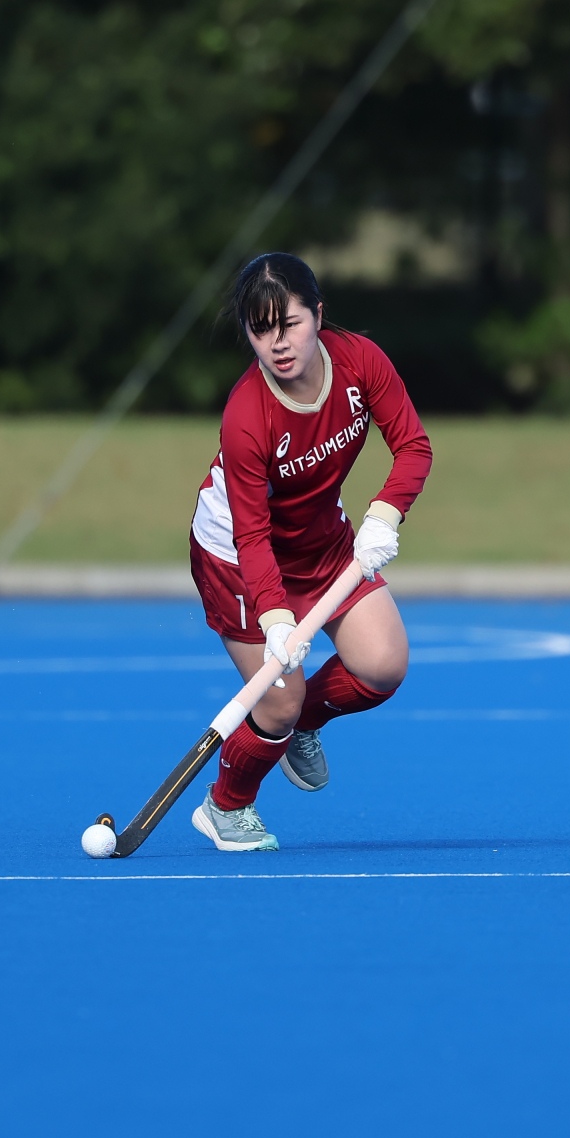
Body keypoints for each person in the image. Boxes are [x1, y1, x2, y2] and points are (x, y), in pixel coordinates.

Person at [184, 253, 432, 852]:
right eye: (260, 330)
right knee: (277, 701)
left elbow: (413, 447)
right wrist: (275, 618)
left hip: (321, 539)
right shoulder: (247, 415)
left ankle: (302, 725)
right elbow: (250, 534)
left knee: (382, 665)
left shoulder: (360, 361)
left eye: (290, 324)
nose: (278, 343)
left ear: (318, 314)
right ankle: (226, 806)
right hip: (236, 557)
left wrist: (384, 514)